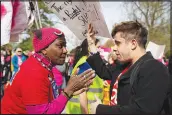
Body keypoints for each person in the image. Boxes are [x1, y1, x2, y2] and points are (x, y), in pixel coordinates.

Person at [1, 27, 95, 114]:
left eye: (65, 46)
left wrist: (67, 91)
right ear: (44, 49)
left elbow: (45, 94)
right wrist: (67, 92)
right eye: (60, 46)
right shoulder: (34, 72)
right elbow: (43, 112)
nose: (65, 50)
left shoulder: (42, 64)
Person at [86, 21, 171, 114]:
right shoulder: (124, 65)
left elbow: (143, 111)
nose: (114, 48)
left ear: (133, 44)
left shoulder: (154, 69)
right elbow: (104, 71)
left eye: (118, 43)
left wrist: (100, 110)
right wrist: (91, 44)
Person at [66, 39, 104, 114]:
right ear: (90, 48)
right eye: (98, 47)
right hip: (81, 110)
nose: (100, 50)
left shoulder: (86, 62)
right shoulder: (86, 64)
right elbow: (82, 92)